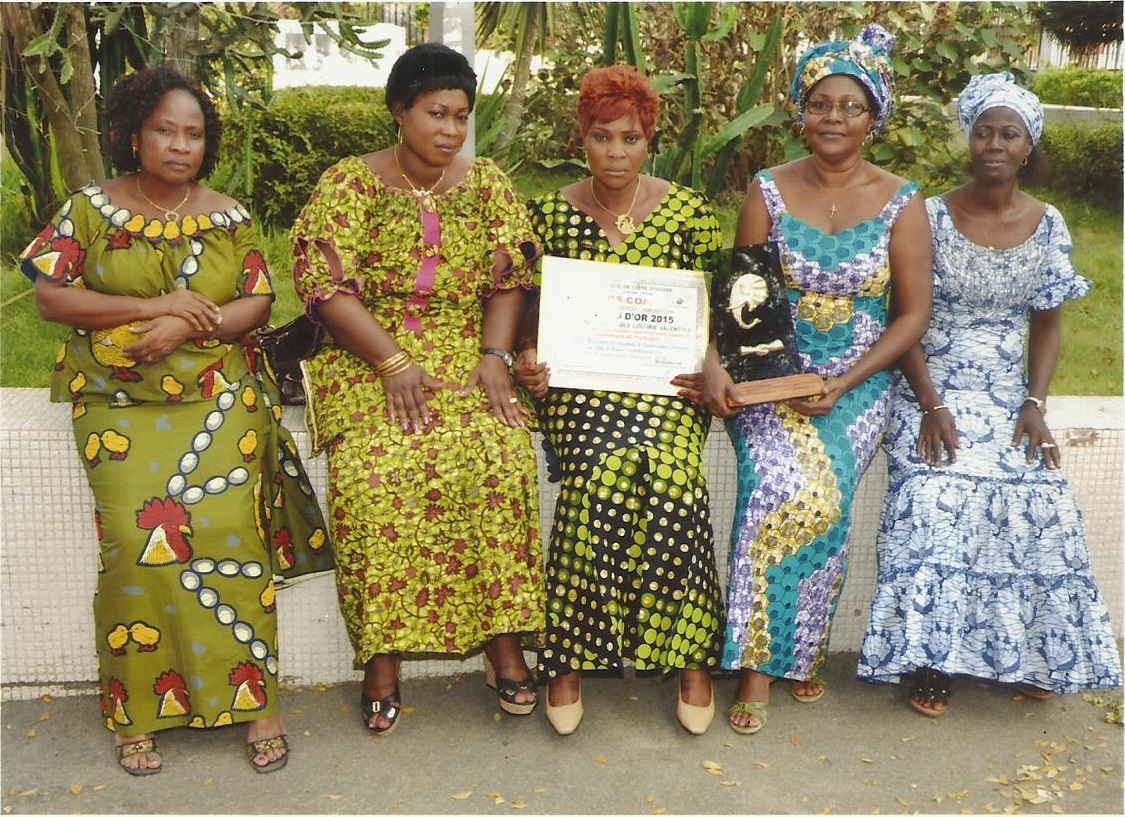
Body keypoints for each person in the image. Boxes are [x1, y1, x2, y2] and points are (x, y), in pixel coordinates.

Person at [19, 65, 332, 775]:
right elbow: (51, 298)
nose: (181, 144)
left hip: (219, 401)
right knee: (135, 542)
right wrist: (152, 308)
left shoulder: (229, 216)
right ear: (134, 135)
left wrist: (195, 323)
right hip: (117, 403)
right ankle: (136, 710)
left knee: (232, 540)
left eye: (193, 133)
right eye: (165, 130)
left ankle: (257, 703)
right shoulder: (90, 209)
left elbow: (257, 299)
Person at [289, 43, 544, 735]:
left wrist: (494, 354)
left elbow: (511, 276)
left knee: (497, 455)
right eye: (436, 114)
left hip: (468, 352)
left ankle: (503, 641)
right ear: (399, 112)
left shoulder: (487, 183)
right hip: (366, 354)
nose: (451, 130)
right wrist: (392, 362)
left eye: (461, 116)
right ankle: (382, 659)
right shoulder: (349, 184)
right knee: (376, 473)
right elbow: (326, 287)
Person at [857, 72, 1123, 715]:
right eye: (984, 132)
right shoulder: (928, 215)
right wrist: (931, 405)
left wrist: (1034, 404)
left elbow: (1048, 325)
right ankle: (931, 660)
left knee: (1045, 498)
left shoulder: (1049, 223)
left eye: (1010, 134)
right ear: (969, 140)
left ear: (1028, 148)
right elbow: (905, 319)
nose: (995, 145)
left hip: (1006, 398)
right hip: (930, 391)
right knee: (936, 494)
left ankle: (1033, 654)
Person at [701, 23, 933, 735]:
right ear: (800, 112)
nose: (833, 117)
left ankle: (796, 648)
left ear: (873, 118)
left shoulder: (901, 200)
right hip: (772, 370)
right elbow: (741, 294)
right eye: (820, 103)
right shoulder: (767, 190)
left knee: (824, 496)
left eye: (850, 106)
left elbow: (912, 315)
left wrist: (844, 380)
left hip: (858, 378)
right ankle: (757, 665)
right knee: (775, 485)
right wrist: (723, 364)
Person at [513, 65, 725, 736]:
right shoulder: (547, 215)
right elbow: (527, 316)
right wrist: (528, 358)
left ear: (648, 141)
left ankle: (689, 656)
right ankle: (567, 659)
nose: (615, 153)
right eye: (601, 137)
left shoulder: (688, 212)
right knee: (599, 477)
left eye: (629, 139)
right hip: (580, 388)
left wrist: (710, 368)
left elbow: (711, 312)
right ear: (582, 138)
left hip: (668, 387)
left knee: (673, 477)